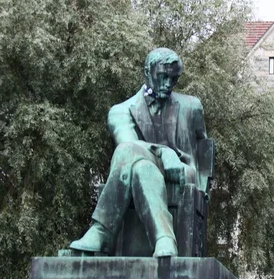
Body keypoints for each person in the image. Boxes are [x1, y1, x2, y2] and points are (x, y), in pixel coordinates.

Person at [70, 48, 207, 257]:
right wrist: (164, 153)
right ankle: (164, 238)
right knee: (141, 167)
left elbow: (204, 151)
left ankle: (102, 230)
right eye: (163, 76)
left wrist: (195, 178)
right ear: (147, 72)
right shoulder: (121, 111)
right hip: (141, 169)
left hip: (180, 172)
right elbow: (128, 145)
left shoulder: (192, 106)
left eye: (174, 78)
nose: (168, 84)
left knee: (131, 157)